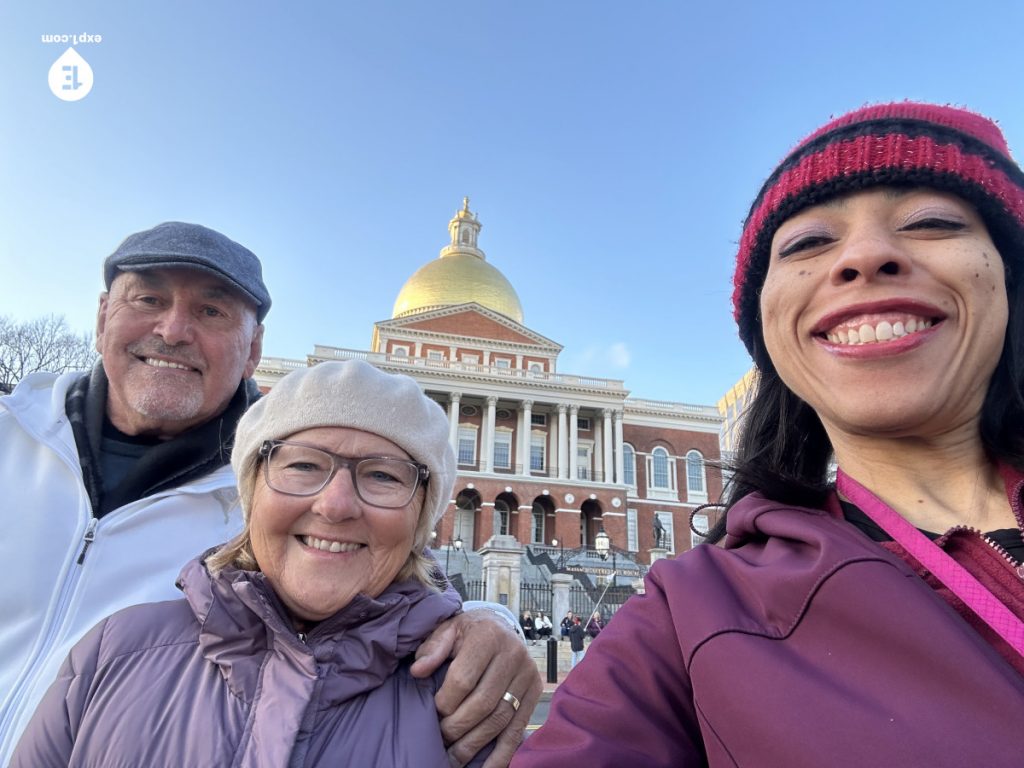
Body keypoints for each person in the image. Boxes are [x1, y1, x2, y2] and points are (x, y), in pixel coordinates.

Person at [512, 102, 1024, 767]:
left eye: (931, 222)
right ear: (769, 330)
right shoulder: (690, 615)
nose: (866, 256)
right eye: (809, 242)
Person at [0, 222, 539, 767]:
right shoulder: (116, 646)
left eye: (212, 311)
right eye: (148, 297)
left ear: (254, 347)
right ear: (101, 316)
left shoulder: (271, 504)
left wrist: (490, 617)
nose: (173, 329)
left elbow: (390, 581)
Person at [12, 360, 516, 765]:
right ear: (252, 493)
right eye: (302, 465)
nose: (335, 505)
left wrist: (494, 618)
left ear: (420, 518)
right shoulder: (107, 656)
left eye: (384, 476)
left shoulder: (473, 700)